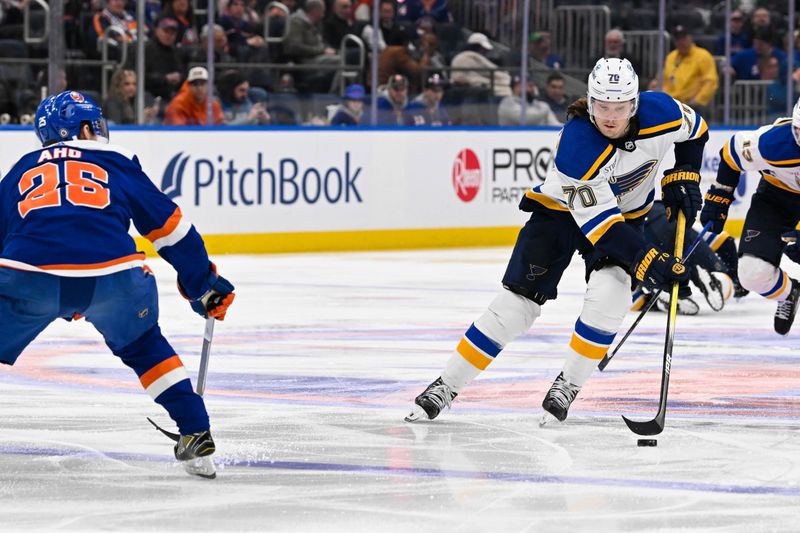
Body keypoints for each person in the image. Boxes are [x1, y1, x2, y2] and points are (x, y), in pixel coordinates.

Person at [405, 58, 708, 425]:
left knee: (611, 294)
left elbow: (697, 131)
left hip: (626, 217)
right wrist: (650, 262)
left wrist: (685, 174)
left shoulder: (662, 110)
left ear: (635, 105)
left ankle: (568, 384)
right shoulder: (578, 145)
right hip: (561, 215)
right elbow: (603, 229)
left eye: (620, 108)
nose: (611, 117)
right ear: (590, 102)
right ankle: (446, 385)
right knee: (516, 306)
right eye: (602, 107)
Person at [0, 90, 235, 478]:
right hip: (114, 276)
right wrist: (203, 286)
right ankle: (195, 430)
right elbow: (171, 230)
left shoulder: (23, 167)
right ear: (87, 127)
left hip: (30, 277)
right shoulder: (117, 159)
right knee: (145, 346)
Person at [701, 97, 800, 335]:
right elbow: (730, 153)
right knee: (752, 274)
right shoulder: (772, 143)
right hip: (777, 197)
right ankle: (789, 293)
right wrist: (720, 196)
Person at [661, 25, 718, 118]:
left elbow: (710, 82)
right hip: (671, 105)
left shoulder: (703, 56)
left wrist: (697, 101)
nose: (681, 42)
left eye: (683, 38)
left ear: (690, 38)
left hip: (692, 106)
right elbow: (663, 79)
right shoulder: (671, 57)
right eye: (678, 39)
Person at [144, 16, 185, 101]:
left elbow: (182, 72)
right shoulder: (147, 49)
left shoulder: (175, 51)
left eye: (172, 33)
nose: (169, 36)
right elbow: (143, 78)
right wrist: (165, 78)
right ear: (157, 31)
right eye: (166, 31)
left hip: (172, 94)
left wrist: (179, 77)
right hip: (150, 94)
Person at [497, 74, 561, 126]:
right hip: (511, 140)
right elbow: (524, 118)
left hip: (538, 140)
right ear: (516, 88)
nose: (532, 89)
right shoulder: (507, 103)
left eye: (532, 85)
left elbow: (555, 125)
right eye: (529, 85)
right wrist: (545, 109)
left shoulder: (538, 104)